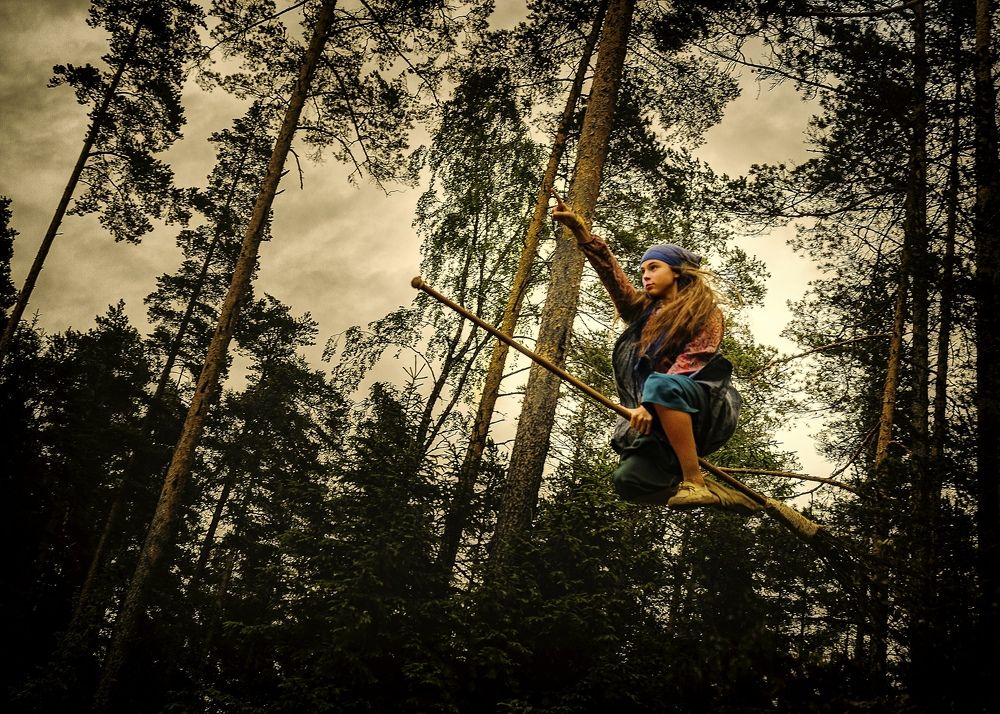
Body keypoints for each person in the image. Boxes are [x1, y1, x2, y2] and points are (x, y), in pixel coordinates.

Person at [550, 192, 757, 513]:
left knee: (660, 384)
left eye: (654, 267)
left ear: (676, 271)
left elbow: (694, 361)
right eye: (643, 269)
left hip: (704, 407)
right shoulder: (643, 311)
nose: (645, 274)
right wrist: (581, 233)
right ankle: (709, 494)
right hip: (660, 413)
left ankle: (693, 479)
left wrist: (649, 401)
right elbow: (613, 277)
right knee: (628, 481)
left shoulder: (705, 311)